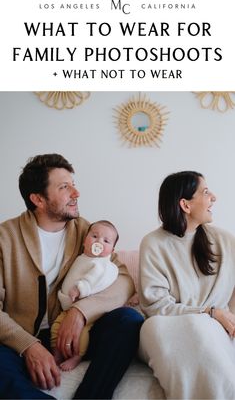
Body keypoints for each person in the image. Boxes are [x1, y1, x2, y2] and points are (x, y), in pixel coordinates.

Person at [0, 153, 144, 400]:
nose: (76, 194)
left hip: (78, 335)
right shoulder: (5, 237)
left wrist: (81, 312)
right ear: (38, 199)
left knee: (128, 320)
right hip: (20, 338)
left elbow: (123, 279)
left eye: (73, 185)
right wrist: (29, 345)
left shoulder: (88, 232)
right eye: (65, 187)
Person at [139, 171, 235, 399]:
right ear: (185, 204)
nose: (214, 197)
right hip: (167, 325)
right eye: (205, 192)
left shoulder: (224, 241)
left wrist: (226, 317)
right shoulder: (153, 243)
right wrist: (210, 313)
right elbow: (155, 306)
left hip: (216, 329)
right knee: (171, 327)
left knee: (202, 329)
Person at [51, 220, 119, 371]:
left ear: (112, 251)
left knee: (82, 334)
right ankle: (56, 353)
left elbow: (94, 278)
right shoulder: (80, 258)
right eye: (94, 236)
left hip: (86, 308)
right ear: (84, 241)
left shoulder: (102, 264)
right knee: (56, 328)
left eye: (106, 241)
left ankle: (77, 356)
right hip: (67, 308)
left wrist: (81, 288)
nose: (99, 242)